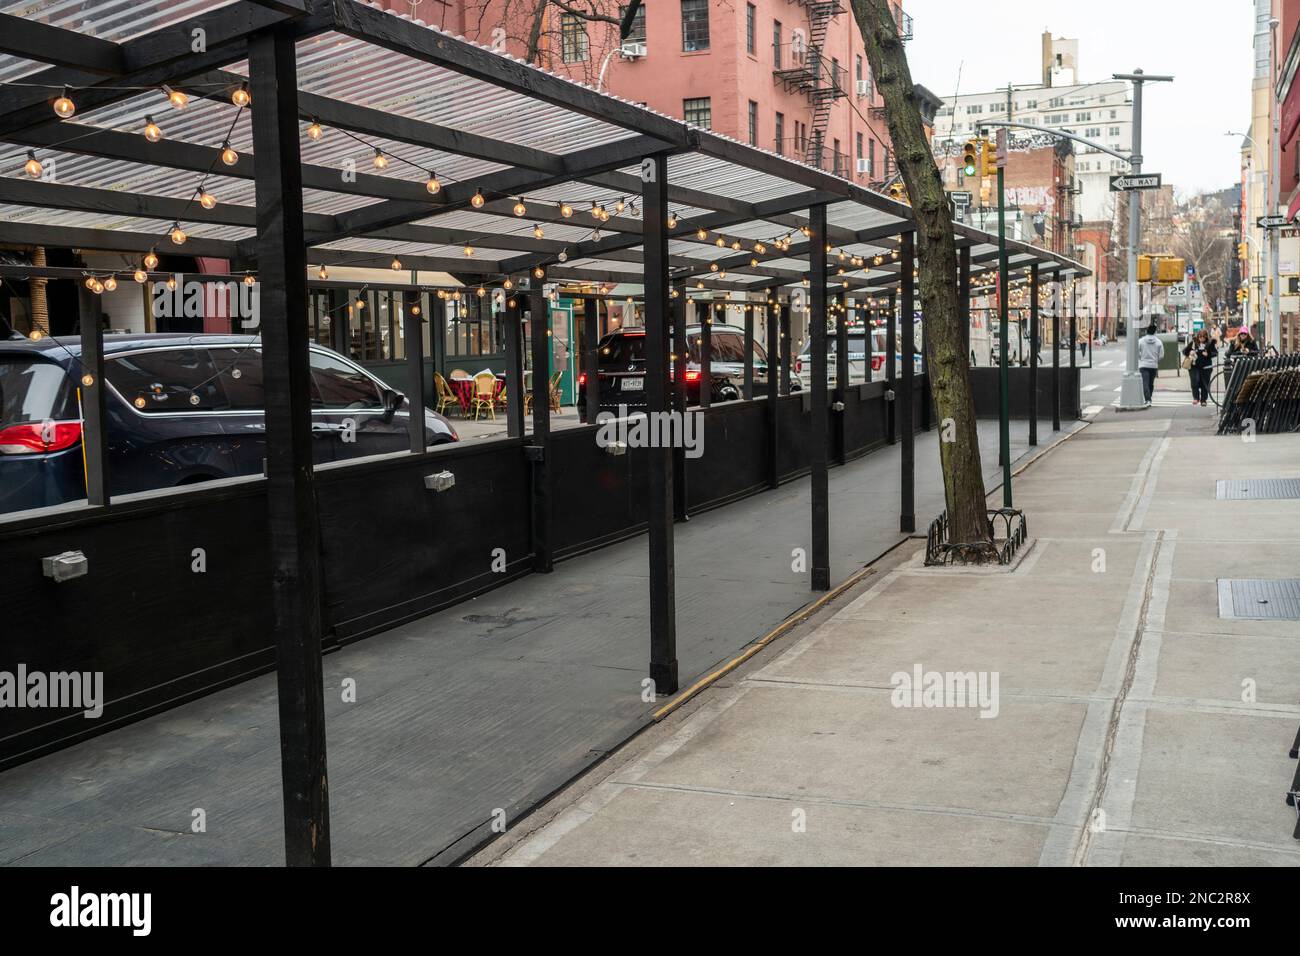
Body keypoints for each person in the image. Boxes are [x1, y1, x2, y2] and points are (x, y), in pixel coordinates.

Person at [1182, 329, 1216, 407]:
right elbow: (1184, 351)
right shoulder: (1193, 343)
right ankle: (1196, 398)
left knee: (1205, 383)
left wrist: (1208, 354)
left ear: (1206, 337)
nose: (1202, 338)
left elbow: (1215, 353)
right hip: (1194, 366)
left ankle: (1203, 400)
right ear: (1198, 336)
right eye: (1200, 336)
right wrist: (1190, 352)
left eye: (1204, 337)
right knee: (1195, 381)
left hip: (1206, 367)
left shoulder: (1209, 343)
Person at [1137, 323, 1164, 405]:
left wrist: (1141, 358)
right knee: (1151, 383)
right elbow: (1161, 355)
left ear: (1146, 331)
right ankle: (1149, 398)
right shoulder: (1159, 342)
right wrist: (1156, 360)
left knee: (1145, 383)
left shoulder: (1141, 341)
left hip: (1143, 365)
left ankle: (1148, 399)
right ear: (1155, 332)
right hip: (1153, 365)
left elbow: (1137, 352)